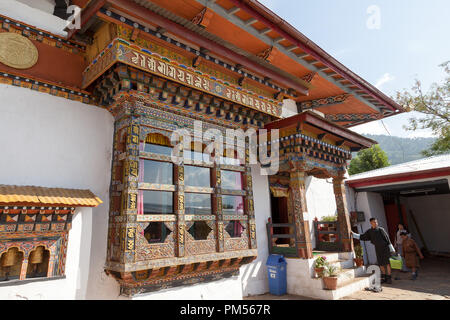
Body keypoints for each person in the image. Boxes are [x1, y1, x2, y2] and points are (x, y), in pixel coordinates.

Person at [351, 218, 396, 284]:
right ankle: (384, 277)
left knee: (387, 263)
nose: (376, 223)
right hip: (377, 249)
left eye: (376, 222)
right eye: (374, 222)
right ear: (371, 223)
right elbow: (363, 236)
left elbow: (387, 239)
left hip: (385, 248)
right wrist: (354, 234)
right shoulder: (370, 231)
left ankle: (389, 277)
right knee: (380, 264)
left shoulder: (381, 230)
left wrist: (391, 248)